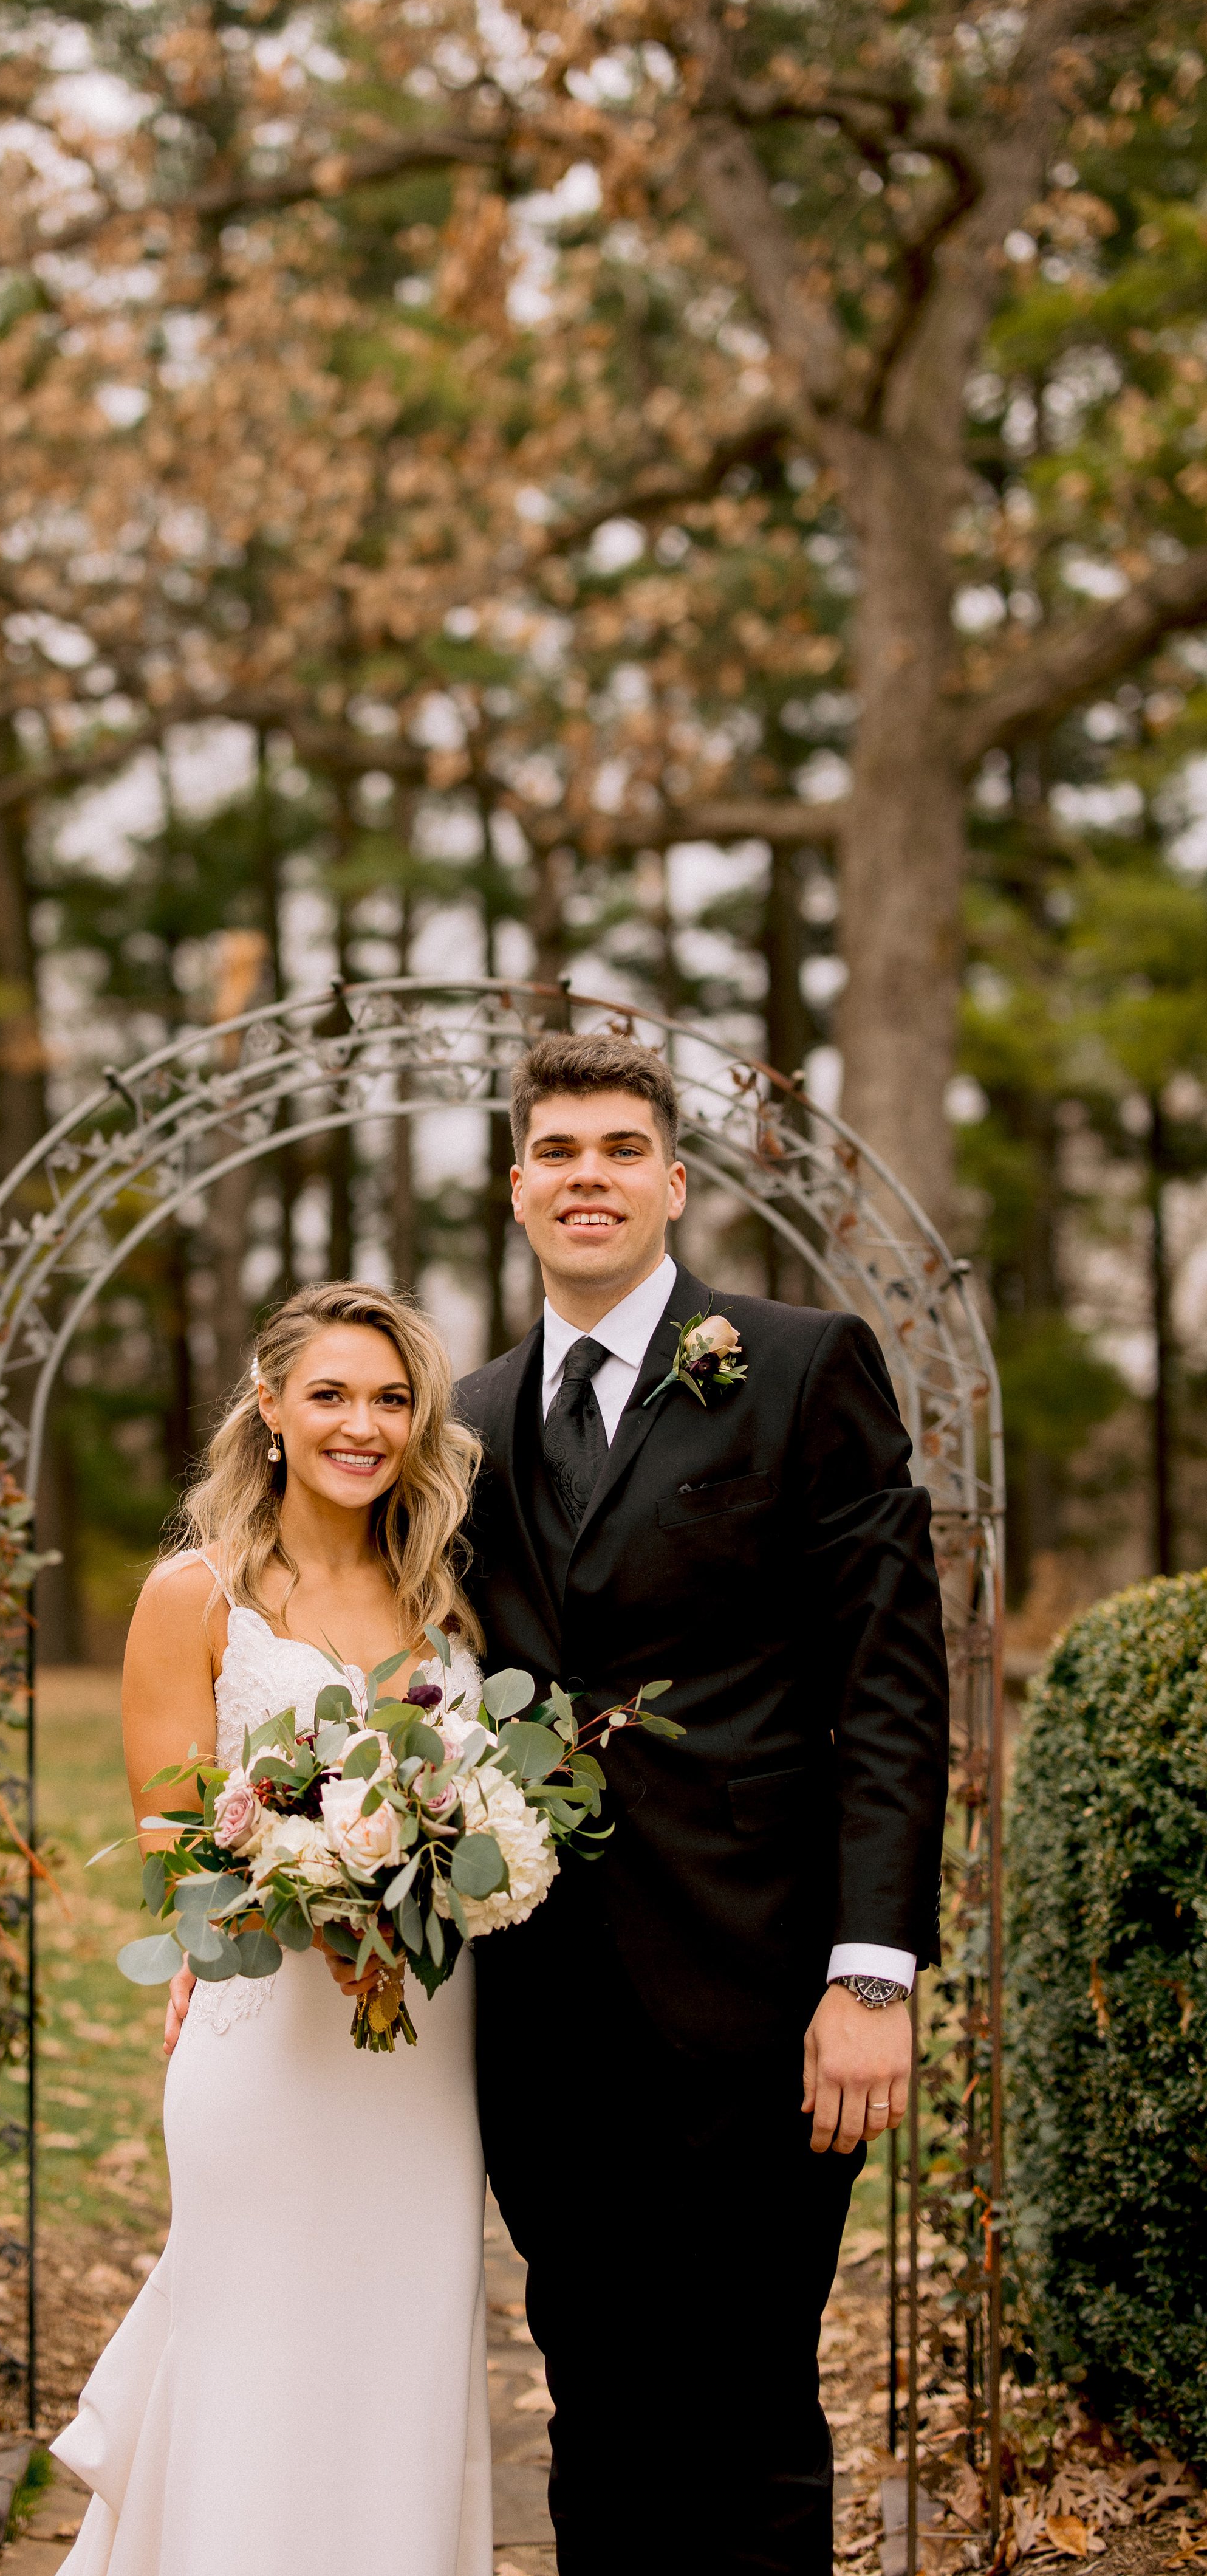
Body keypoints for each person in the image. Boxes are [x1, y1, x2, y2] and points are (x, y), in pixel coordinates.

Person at [454, 1031, 949, 2576]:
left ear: (672, 1183)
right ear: (515, 1188)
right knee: (595, 2398)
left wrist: (872, 1972)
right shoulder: (461, 1416)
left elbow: (888, 1684)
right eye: (557, 1152)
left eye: (619, 1151)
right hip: (543, 2010)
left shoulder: (803, 1363)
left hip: (763, 1990)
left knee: (746, 2401)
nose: (586, 1177)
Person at [50, 1281, 493, 2576]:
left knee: (400, 2349)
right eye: (333, 1396)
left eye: (392, 1399)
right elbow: (170, 1843)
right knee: (255, 2347)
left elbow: (485, 1804)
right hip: (264, 2035)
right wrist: (304, 1896)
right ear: (271, 1408)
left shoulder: (450, 1600)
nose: (364, 1425)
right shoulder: (195, 1595)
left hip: (422, 2047)